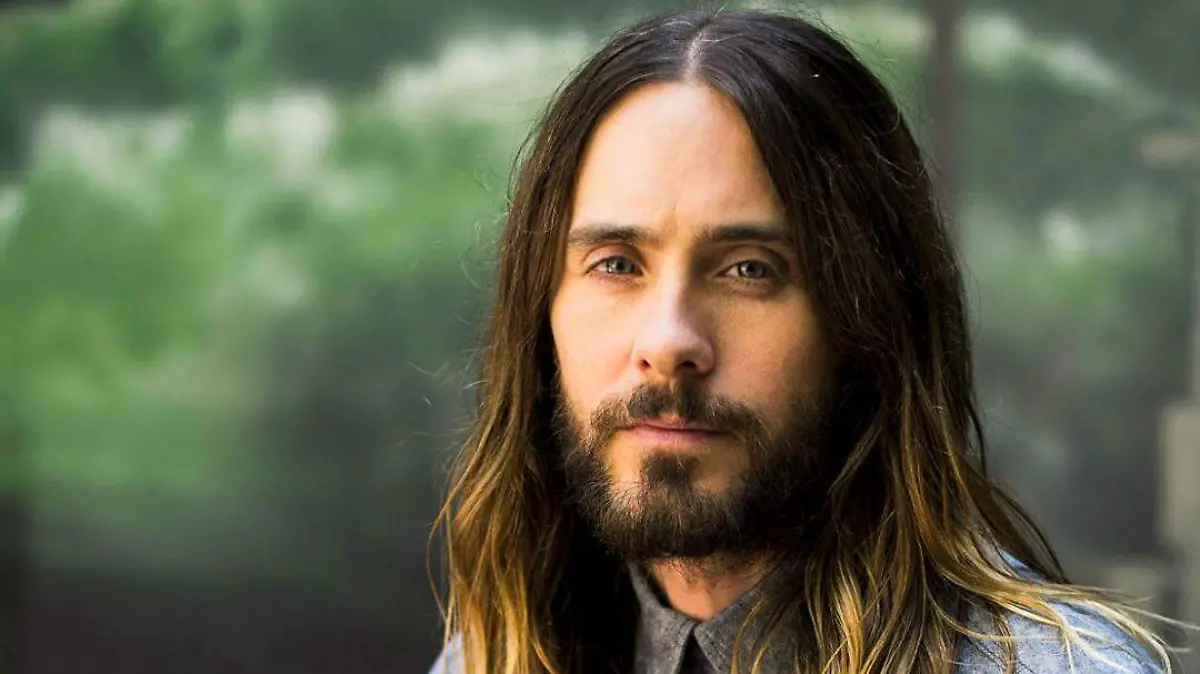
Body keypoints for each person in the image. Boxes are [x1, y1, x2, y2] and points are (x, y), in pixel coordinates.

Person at [428, 8, 1173, 673]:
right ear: (541, 315)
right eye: (617, 264)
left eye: (750, 269)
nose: (669, 341)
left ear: (867, 320)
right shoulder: (494, 656)